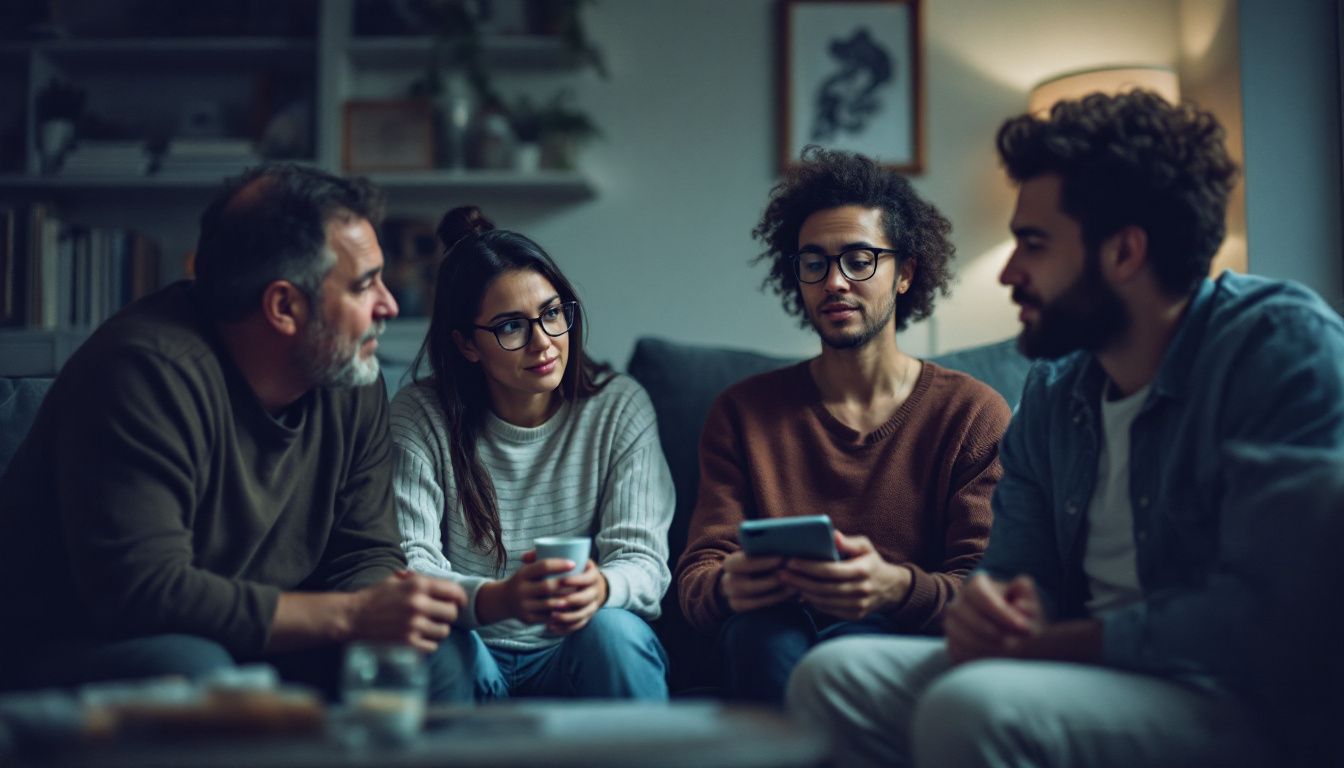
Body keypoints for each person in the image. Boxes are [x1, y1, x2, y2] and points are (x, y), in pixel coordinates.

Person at [787, 90, 1344, 766]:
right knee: (832, 677)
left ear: (1125, 252)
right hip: (1087, 674)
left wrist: (1051, 645)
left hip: (1240, 697)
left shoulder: (1278, 348)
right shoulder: (1053, 390)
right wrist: (990, 609)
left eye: (1033, 243)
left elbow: (1267, 619)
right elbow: (1012, 577)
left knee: (974, 708)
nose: (1011, 272)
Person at [0, 164, 472, 701]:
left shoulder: (346, 372)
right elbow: (143, 592)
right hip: (78, 641)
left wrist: (391, 614)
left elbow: (363, 551)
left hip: (265, 634)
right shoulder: (142, 373)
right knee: (196, 671)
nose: (388, 305)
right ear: (284, 306)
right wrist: (350, 615)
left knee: (433, 655)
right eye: (365, 285)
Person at [675, 147, 1012, 703]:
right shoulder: (741, 413)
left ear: (905, 273)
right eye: (815, 262)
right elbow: (696, 580)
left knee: (854, 646)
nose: (834, 282)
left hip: (895, 643)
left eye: (859, 260)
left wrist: (894, 588)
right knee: (759, 636)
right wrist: (727, 585)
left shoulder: (973, 415)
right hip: (769, 635)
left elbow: (984, 591)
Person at [390, 205, 674, 701]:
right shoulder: (420, 414)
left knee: (615, 633)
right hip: (472, 643)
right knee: (432, 644)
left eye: (552, 313)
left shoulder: (617, 406)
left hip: (576, 644)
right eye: (510, 327)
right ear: (467, 345)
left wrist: (602, 587)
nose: (543, 342)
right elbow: (409, 565)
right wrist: (500, 600)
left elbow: (643, 560)